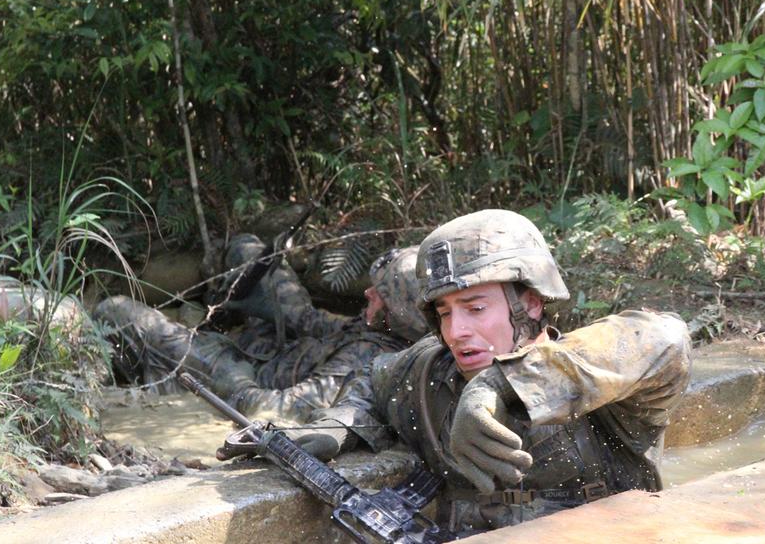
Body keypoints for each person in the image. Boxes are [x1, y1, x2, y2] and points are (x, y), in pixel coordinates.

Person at [292, 209, 692, 534]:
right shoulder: (429, 371)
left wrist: (500, 384)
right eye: (445, 312)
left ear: (531, 304)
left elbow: (668, 338)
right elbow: (372, 380)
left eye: (475, 308)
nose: (456, 331)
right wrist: (340, 424)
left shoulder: (600, 383)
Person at [94, 234, 427, 424]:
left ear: (400, 310)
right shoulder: (380, 327)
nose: (367, 293)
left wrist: (233, 377)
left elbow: (276, 410)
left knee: (116, 311)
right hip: (273, 344)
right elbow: (323, 327)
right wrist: (285, 313)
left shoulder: (364, 363)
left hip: (241, 369)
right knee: (251, 250)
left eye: (380, 293)